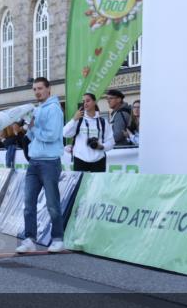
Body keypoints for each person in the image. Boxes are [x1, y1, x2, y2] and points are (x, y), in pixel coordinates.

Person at [15, 77, 66, 254]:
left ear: (49, 89)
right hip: (34, 161)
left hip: (50, 162)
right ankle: (29, 239)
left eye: (40, 88)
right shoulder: (37, 109)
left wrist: (33, 128)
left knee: (52, 203)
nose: (37, 92)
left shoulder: (54, 109)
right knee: (28, 203)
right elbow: (33, 135)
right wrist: (26, 129)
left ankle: (58, 239)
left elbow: (51, 135)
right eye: (35, 89)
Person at [63, 92, 114, 172]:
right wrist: (74, 119)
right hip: (80, 159)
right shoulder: (78, 120)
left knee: (98, 181)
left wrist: (101, 146)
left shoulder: (103, 122)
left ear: (94, 102)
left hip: (99, 160)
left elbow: (111, 142)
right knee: (81, 181)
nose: (85, 103)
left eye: (88, 101)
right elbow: (65, 133)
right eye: (83, 101)